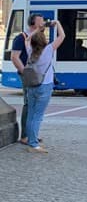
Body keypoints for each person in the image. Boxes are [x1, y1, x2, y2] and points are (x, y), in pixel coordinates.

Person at [23, 19, 65, 153]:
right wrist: (57, 23)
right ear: (44, 41)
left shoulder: (30, 51)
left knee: (31, 114)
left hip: (31, 86)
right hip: (44, 86)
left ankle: (31, 140)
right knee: (38, 116)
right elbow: (62, 36)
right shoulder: (48, 50)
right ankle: (34, 144)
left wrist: (37, 30)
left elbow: (27, 39)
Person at [11, 12, 47, 145]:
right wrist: (25, 73)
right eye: (41, 21)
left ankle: (32, 134)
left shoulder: (38, 37)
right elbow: (15, 57)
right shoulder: (21, 37)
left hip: (37, 74)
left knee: (35, 104)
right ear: (33, 23)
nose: (43, 23)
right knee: (28, 104)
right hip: (29, 75)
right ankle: (25, 135)